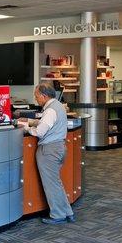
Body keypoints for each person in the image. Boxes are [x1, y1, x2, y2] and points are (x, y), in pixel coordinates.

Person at [20, 83, 74, 225]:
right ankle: (67, 212)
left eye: (36, 96)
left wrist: (26, 128)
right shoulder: (58, 106)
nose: (36, 99)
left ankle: (57, 215)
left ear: (44, 96)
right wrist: (31, 121)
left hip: (49, 151)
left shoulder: (50, 110)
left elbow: (40, 132)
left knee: (51, 184)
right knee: (56, 183)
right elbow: (47, 123)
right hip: (59, 148)